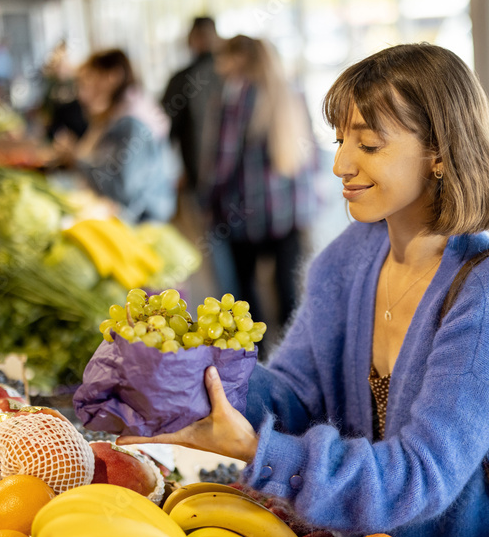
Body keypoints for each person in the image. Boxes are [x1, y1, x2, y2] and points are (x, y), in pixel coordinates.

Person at [119, 43, 489, 537]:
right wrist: (193, 374)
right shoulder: (350, 257)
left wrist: (259, 451)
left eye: (369, 144)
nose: (341, 165)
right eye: (341, 139)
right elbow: (296, 392)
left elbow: (420, 476)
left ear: (440, 153)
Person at [201, 35, 317, 339]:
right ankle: (295, 354)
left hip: (246, 214)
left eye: (223, 58)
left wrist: (207, 200)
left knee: (246, 294)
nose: (219, 66)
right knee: (289, 290)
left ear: (239, 59)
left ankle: (258, 358)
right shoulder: (292, 92)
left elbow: (223, 163)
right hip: (291, 212)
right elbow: (312, 154)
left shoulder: (236, 99)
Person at [55, 49, 177, 223]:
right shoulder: (118, 113)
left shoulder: (133, 122)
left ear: (113, 76)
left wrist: (76, 161)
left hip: (145, 225)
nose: (82, 92)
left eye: (90, 80)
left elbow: (122, 189)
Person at [162, 17, 222, 197]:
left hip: (197, 174)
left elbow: (165, 129)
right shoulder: (232, 75)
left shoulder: (182, 79)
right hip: (222, 174)